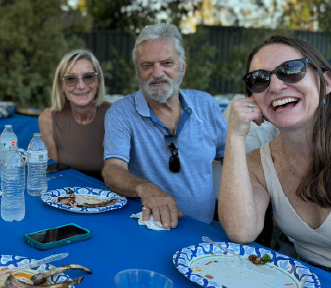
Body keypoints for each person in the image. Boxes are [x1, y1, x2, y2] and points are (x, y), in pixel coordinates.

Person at [219, 36, 331, 271]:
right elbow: (241, 231)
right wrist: (235, 137)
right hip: (307, 286)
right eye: (259, 79)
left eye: (291, 70)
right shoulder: (259, 163)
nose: (276, 86)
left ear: (326, 83)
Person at [102, 24, 226, 228]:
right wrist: (146, 189)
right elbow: (112, 170)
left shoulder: (206, 105)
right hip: (148, 227)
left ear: (183, 66)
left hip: (205, 230)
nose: (157, 73)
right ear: (137, 71)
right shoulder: (121, 112)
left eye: (167, 63)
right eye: (147, 65)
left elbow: (228, 155)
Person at [39, 49, 110, 180]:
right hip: (68, 193)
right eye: (71, 79)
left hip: (110, 195)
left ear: (98, 81)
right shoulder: (48, 119)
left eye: (88, 77)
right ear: (61, 85)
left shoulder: (115, 115)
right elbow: (55, 172)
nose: (81, 86)